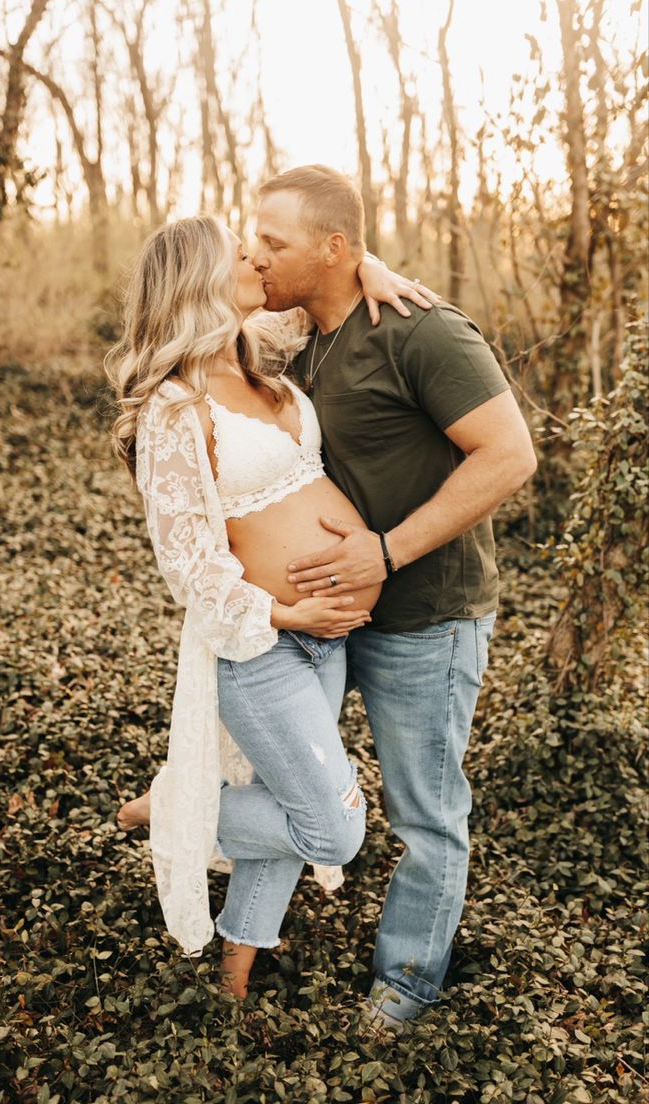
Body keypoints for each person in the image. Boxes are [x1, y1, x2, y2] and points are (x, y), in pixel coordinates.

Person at [105, 214, 438, 999]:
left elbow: (329, 282)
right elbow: (190, 563)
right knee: (333, 827)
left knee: (290, 808)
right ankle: (177, 806)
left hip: (328, 640)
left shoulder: (265, 349)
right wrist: (289, 617)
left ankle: (234, 978)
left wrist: (374, 267)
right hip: (266, 647)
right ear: (199, 284)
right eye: (239, 256)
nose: (256, 260)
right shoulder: (174, 408)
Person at [249, 164, 538, 1031]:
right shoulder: (295, 331)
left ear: (334, 248)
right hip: (328, 619)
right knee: (297, 782)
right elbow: (199, 291)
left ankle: (406, 988)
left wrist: (388, 552)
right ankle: (243, 929)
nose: (256, 255)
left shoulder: (420, 333)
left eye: (275, 242)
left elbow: (510, 455)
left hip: (426, 621)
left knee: (426, 813)